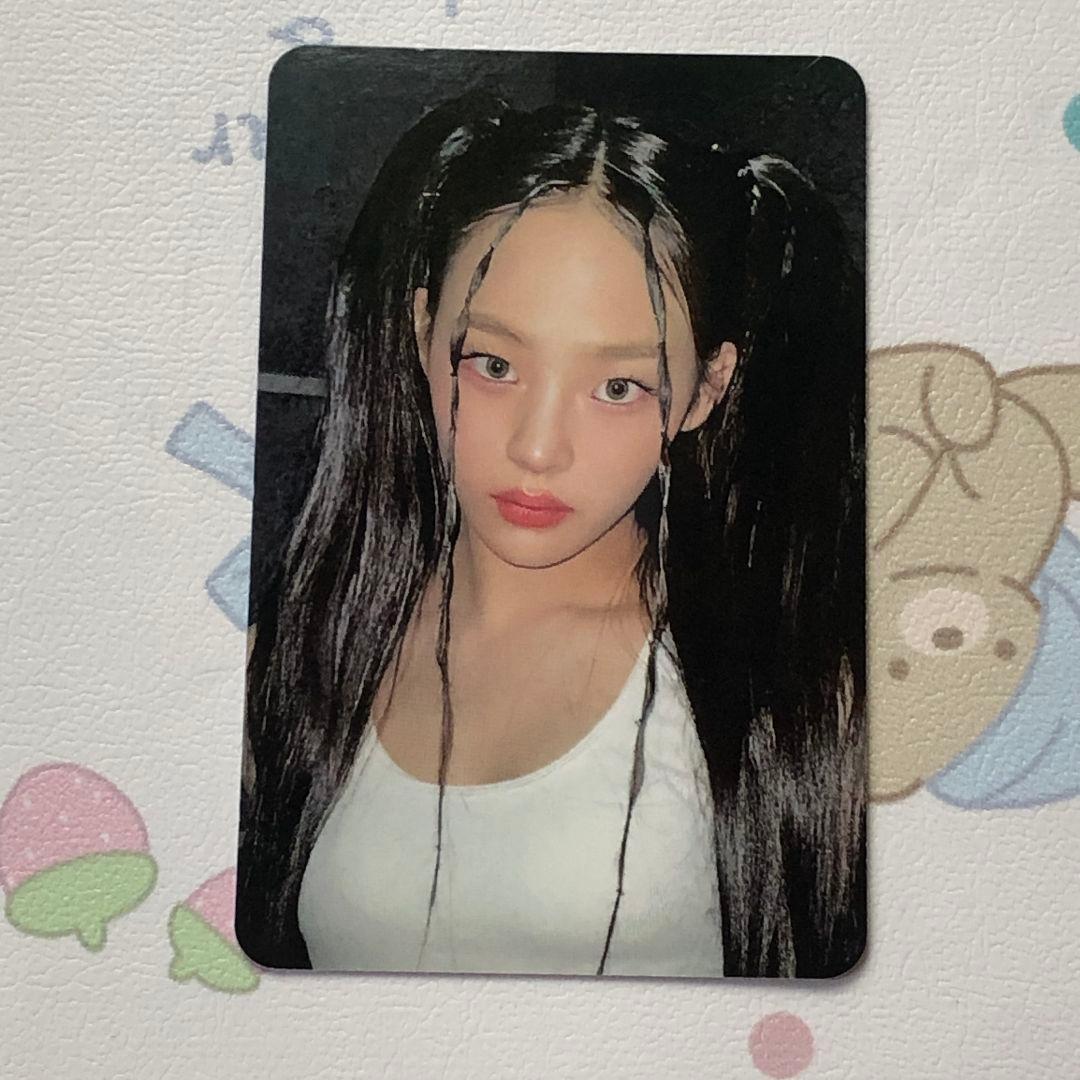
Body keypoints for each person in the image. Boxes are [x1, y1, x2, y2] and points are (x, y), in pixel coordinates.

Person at [239, 89, 867, 979]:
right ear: (422, 332)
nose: (538, 449)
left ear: (705, 389)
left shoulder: (792, 700)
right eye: (493, 363)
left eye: (618, 387)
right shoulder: (294, 657)